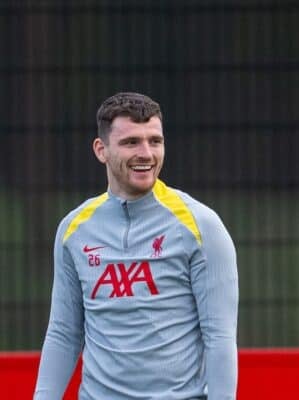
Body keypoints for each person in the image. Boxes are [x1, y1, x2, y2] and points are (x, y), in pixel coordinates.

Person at [34, 92, 239, 399]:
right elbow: (64, 334)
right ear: (101, 150)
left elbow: (220, 336)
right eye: (131, 142)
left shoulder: (201, 225)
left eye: (155, 141)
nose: (146, 153)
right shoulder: (73, 230)